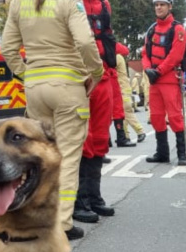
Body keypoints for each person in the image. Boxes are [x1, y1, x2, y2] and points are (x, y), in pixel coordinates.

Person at [1, 0, 103, 241]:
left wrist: (28, 74)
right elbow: (86, 42)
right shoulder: (69, 2)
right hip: (67, 86)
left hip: (35, 89)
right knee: (66, 157)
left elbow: (7, 48)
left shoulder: (18, 4)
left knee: (42, 157)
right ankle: (62, 225)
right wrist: (96, 72)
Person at [75, 0, 119, 224]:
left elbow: (107, 35)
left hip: (104, 75)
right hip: (80, 77)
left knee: (101, 137)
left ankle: (94, 197)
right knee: (84, 139)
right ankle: (79, 201)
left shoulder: (104, 5)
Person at [143, 0, 186, 166]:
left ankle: (182, 153)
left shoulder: (178, 29)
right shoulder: (151, 29)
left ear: (170, 7)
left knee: (175, 116)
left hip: (169, 79)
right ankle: (162, 153)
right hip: (154, 80)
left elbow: (176, 55)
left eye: (162, 4)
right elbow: (145, 53)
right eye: (156, 5)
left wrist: (158, 71)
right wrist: (148, 69)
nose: (158, 7)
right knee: (156, 117)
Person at [117, 53, 147, 143]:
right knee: (122, 114)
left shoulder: (116, 57)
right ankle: (125, 135)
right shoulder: (118, 56)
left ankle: (140, 131)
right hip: (122, 90)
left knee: (127, 112)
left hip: (122, 90)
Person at [111, 43, 135, 147]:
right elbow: (125, 50)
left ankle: (106, 140)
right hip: (113, 81)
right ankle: (121, 138)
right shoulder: (115, 53)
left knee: (104, 112)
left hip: (109, 80)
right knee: (118, 111)